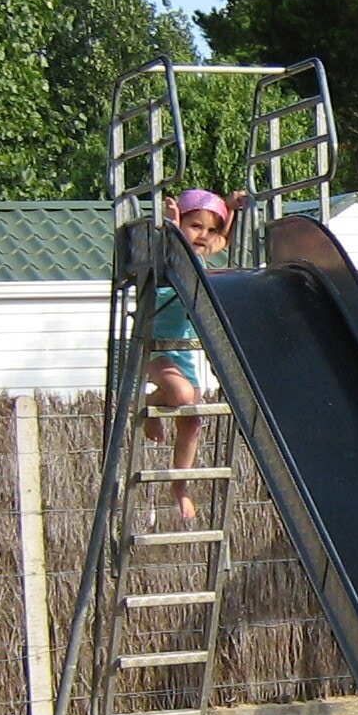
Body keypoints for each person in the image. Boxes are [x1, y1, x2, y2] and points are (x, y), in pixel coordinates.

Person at [143, 188, 234, 521]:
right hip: (152, 347)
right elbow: (167, 246)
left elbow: (222, 239)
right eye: (195, 226)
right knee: (182, 395)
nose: (203, 235)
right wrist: (170, 225)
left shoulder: (202, 255)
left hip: (181, 354)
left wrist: (233, 210)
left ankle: (180, 486)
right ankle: (153, 403)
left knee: (192, 418)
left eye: (209, 229)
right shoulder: (168, 258)